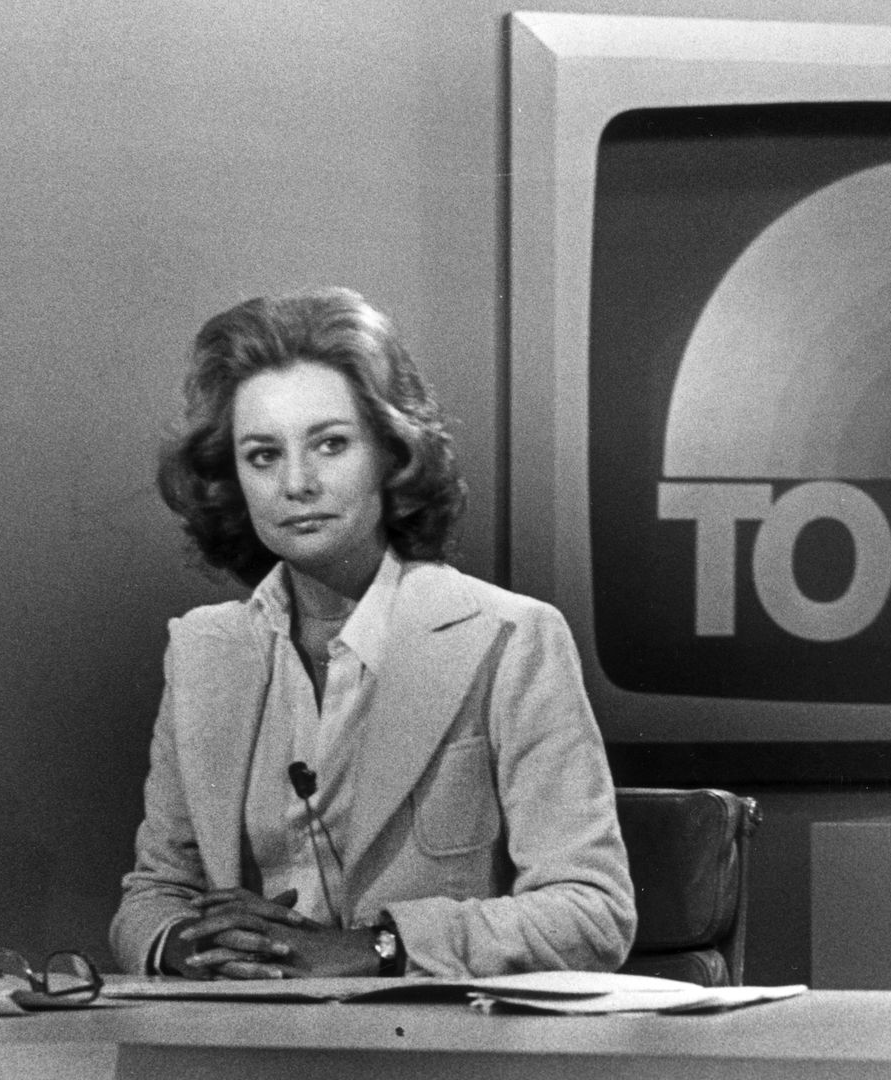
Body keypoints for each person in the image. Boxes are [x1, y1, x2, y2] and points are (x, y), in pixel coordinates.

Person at [110, 287, 635, 979]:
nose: (297, 482)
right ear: (231, 478)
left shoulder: (510, 638)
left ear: (391, 454)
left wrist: (377, 948)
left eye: (330, 445)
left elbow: (592, 913)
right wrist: (185, 943)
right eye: (263, 456)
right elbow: (151, 897)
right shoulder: (205, 653)